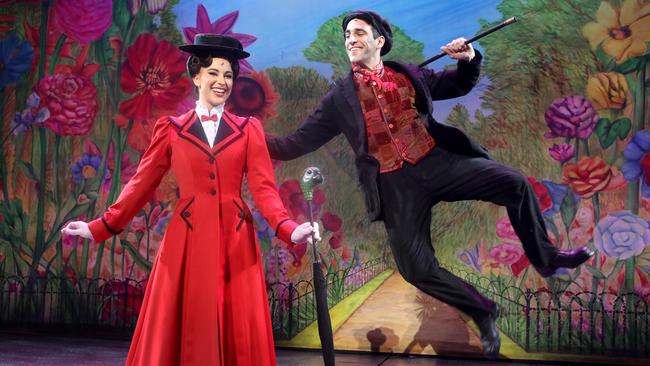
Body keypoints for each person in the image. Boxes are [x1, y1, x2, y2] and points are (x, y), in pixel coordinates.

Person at [264, 10, 593, 358]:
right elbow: (295, 144)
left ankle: (546, 257)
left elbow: (459, 84)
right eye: (347, 34)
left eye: (359, 32)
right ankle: (481, 309)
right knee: (416, 268)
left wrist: (468, 58)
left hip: (437, 161)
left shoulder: (409, 74)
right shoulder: (338, 100)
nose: (350, 39)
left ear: (379, 41)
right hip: (395, 185)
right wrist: (250, 134)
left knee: (514, 183)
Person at [61, 34, 320, 366]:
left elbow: (264, 189)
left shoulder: (248, 130)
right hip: (186, 239)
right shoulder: (170, 128)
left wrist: (288, 229)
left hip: (235, 239)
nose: (221, 81)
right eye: (213, 73)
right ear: (196, 76)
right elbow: (140, 184)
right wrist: (100, 226)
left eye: (228, 75)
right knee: (182, 327)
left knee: (237, 326)